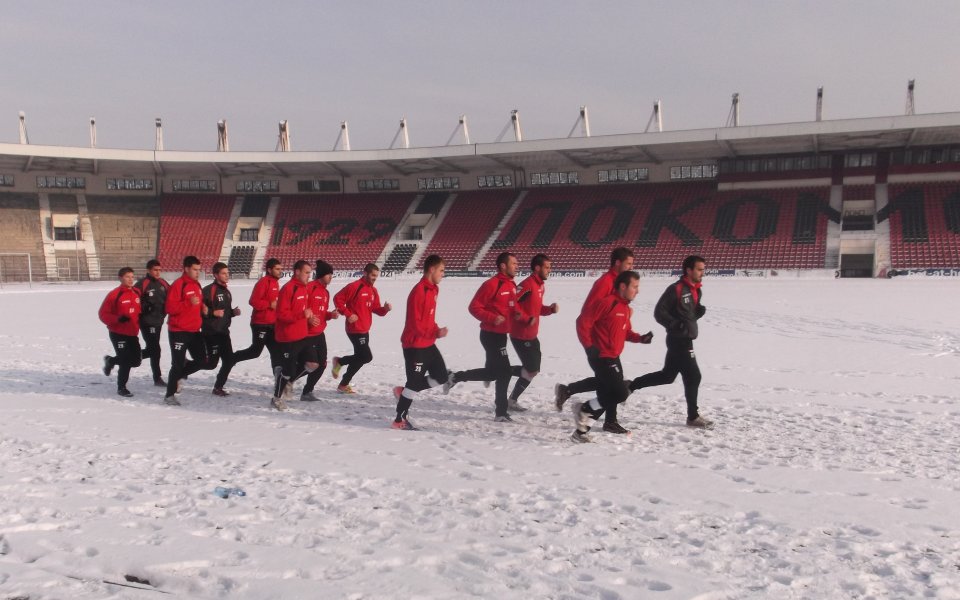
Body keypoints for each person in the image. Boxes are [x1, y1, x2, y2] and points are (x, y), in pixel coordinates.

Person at [629, 255, 713, 428]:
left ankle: (630, 386)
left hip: (685, 338)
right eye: (699, 269)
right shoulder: (675, 289)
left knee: (667, 376)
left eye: (703, 269)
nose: (702, 273)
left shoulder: (697, 290)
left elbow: (686, 314)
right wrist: (675, 324)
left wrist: (697, 314)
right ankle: (692, 417)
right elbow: (659, 313)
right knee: (694, 376)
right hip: (678, 340)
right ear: (688, 270)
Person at [569, 270, 651, 442]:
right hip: (601, 356)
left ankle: (580, 433)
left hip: (614, 356)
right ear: (623, 286)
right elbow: (582, 322)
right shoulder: (607, 303)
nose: (638, 291)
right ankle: (584, 408)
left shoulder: (626, 308)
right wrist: (589, 346)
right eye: (634, 287)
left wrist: (641, 338)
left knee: (607, 395)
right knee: (620, 393)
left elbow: (626, 332)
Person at [555, 246, 635, 414]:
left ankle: (568, 391)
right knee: (612, 383)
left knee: (607, 381)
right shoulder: (605, 283)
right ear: (617, 263)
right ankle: (591, 414)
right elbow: (587, 315)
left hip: (609, 340)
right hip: (598, 343)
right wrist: (589, 345)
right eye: (628, 264)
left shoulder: (619, 283)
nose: (631, 267)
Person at [445, 251, 519, 422]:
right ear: (503, 266)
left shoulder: (511, 285)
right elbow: (474, 307)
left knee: (493, 373)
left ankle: (455, 377)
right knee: (505, 372)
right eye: (513, 263)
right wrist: (493, 318)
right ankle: (501, 412)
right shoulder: (492, 284)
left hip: (501, 335)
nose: (517, 266)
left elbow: (512, 307)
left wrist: (518, 316)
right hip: (490, 335)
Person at [392, 254, 452, 430]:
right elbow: (415, 323)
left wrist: (436, 330)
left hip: (428, 343)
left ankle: (403, 393)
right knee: (413, 383)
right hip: (414, 346)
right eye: (441, 270)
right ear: (431, 269)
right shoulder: (419, 291)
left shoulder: (433, 289)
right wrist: (434, 333)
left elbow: (428, 318)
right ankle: (398, 420)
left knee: (441, 376)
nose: (443, 274)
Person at [506, 253, 559, 412]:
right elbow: (511, 304)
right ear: (537, 268)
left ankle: (512, 399)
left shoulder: (540, 285)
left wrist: (549, 309)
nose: (549, 270)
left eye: (550, 267)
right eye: (547, 267)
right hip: (520, 334)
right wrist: (525, 319)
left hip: (531, 334)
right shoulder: (527, 284)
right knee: (532, 369)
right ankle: (500, 371)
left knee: (533, 370)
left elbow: (536, 308)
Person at [331, 263, 392, 394]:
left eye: (376, 276)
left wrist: (385, 309)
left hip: (365, 329)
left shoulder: (373, 290)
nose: (374, 278)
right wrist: (348, 314)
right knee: (366, 357)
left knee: (360, 358)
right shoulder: (354, 286)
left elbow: (376, 309)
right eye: (372, 275)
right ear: (365, 273)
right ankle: (340, 362)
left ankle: (343, 384)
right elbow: (337, 299)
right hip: (354, 329)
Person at [163, 255, 216, 406]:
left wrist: (202, 307)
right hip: (178, 330)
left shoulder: (197, 285)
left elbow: (197, 303)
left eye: (199, 269)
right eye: (195, 269)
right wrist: (187, 302)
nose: (198, 272)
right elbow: (170, 308)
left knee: (202, 361)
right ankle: (169, 395)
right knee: (177, 364)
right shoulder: (178, 285)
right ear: (186, 269)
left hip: (194, 330)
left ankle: (181, 375)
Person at [271, 260, 320, 411]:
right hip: (288, 337)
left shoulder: (304, 288)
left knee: (313, 364)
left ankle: (288, 382)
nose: (308, 276)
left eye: (310, 273)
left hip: (303, 335)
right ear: (297, 272)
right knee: (288, 371)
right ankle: (276, 398)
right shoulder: (288, 289)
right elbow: (281, 315)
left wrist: (310, 317)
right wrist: (301, 315)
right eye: (306, 272)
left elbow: (303, 310)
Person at [228, 258, 282, 379]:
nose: (280, 271)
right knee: (255, 352)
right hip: (260, 324)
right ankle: (233, 358)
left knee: (276, 352)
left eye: (280, 269)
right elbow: (253, 301)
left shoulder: (275, 283)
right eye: (277, 269)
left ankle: (279, 381)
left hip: (272, 324)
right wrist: (269, 304)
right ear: (269, 270)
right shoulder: (263, 282)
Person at [296, 260, 339, 401]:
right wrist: (308, 320)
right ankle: (287, 380)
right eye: (329, 275)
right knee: (311, 364)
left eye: (332, 275)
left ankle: (307, 392)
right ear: (321, 275)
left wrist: (330, 315)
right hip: (306, 334)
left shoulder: (326, 292)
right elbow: (300, 308)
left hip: (320, 333)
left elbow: (321, 312)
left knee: (322, 365)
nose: (331, 278)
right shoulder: (309, 288)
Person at [99, 267, 143, 397]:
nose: (130, 279)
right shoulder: (114, 294)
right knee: (125, 360)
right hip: (118, 333)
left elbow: (138, 311)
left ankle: (111, 361)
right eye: (127, 277)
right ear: (120, 278)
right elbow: (103, 314)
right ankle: (121, 387)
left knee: (136, 360)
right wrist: (117, 319)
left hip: (132, 332)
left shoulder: (137, 292)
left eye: (132, 277)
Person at [201, 262, 242, 397]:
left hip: (223, 332)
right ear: (216, 275)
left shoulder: (227, 292)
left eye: (227, 273)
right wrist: (213, 313)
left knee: (229, 361)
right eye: (224, 273)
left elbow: (225, 312)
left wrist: (233, 312)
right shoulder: (208, 290)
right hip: (211, 332)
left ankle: (218, 387)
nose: (227, 276)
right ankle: (185, 368)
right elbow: (200, 311)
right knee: (211, 363)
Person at [135, 259, 169, 386]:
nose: (158, 272)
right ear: (148, 270)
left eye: (160, 270)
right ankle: (157, 378)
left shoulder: (163, 283)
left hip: (158, 321)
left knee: (151, 350)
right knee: (155, 349)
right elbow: (134, 300)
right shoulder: (142, 284)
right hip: (147, 322)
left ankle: (119, 360)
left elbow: (172, 297)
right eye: (155, 270)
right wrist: (144, 307)